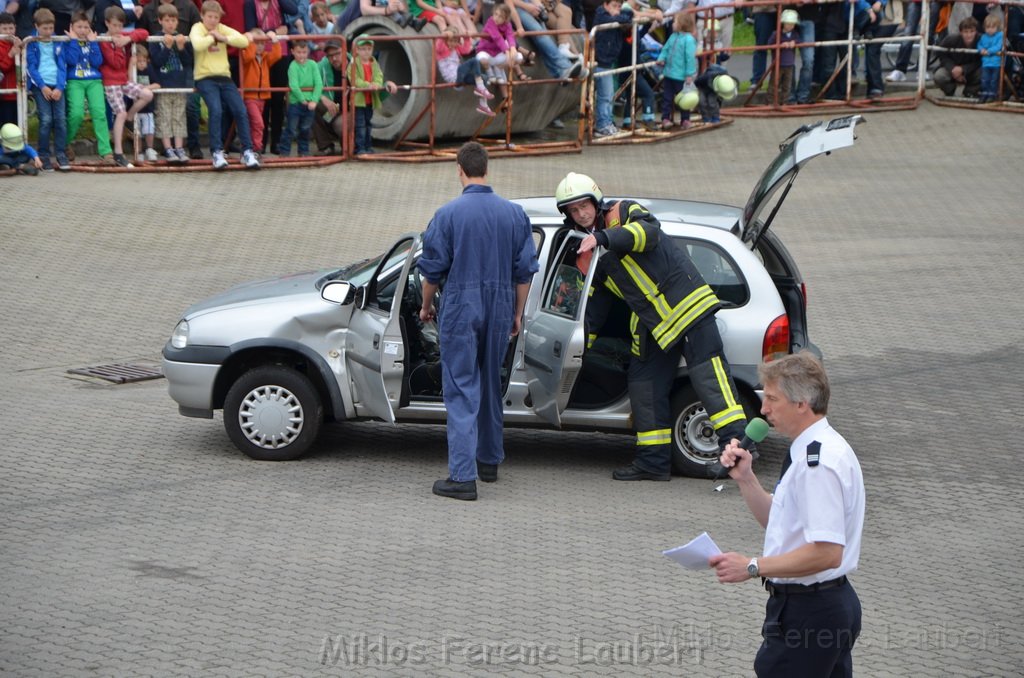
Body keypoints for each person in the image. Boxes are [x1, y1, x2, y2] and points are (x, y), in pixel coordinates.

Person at [555, 172, 749, 481]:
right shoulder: (588, 255)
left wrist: (604, 237)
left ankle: (737, 451)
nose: (581, 214)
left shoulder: (623, 212)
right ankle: (653, 461)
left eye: (584, 206)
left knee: (709, 379)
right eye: (574, 211)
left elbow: (649, 234)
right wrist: (577, 346)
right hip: (654, 325)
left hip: (689, 308)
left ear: (596, 201)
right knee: (644, 385)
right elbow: (595, 305)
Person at [709, 352, 864, 677]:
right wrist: (747, 480)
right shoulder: (816, 447)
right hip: (817, 605)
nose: (763, 410)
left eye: (772, 399)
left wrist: (752, 566)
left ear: (801, 403)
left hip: (811, 610)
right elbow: (780, 524)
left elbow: (827, 553)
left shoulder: (817, 463)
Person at [418, 141, 539, 501]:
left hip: (460, 307)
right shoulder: (514, 214)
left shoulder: (448, 215)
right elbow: (524, 273)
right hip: (500, 306)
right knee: (489, 384)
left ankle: (462, 477)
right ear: (487, 169)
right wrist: (516, 314)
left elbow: (432, 272)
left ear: (459, 170)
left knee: (460, 388)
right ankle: (489, 461)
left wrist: (426, 307)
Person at [190, 0, 261, 169]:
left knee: (240, 110)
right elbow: (197, 44)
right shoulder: (197, 28)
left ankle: (247, 152)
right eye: (210, 17)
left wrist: (223, 37)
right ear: (202, 16)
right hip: (205, 77)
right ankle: (216, 152)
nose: (213, 20)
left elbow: (243, 41)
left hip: (224, 77)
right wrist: (212, 37)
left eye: (216, 17)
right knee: (216, 109)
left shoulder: (222, 29)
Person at [591, 0, 659, 137]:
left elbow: (626, 18)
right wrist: (627, 14)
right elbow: (622, 18)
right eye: (613, 6)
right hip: (601, 62)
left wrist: (631, 15)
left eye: (619, 7)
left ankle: (607, 122)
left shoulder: (618, 21)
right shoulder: (601, 15)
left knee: (608, 96)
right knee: (605, 96)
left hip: (609, 61)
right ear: (605, 4)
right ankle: (602, 125)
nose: (616, 10)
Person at [99, 5, 153, 168]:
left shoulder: (122, 36)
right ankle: (118, 152)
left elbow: (144, 33)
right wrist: (118, 46)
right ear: (107, 23)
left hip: (123, 80)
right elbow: (114, 63)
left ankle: (131, 115)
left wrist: (128, 39)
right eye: (114, 25)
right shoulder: (104, 40)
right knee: (119, 113)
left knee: (147, 94)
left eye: (120, 26)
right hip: (111, 81)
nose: (117, 29)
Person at [64, 11, 115, 163]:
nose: (83, 30)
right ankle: (65, 143)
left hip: (94, 80)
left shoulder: (93, 40)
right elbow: (71, 60)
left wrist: (93, 43)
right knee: (76, 114)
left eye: (86, 27)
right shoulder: (66, 41)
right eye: (79, 27)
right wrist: (73, 41)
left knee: (100, 113)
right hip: (75, 81)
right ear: (71, 27)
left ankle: (105, 151)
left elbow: (97, 62)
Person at [25, 9, 70, 171]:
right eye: (45, 28)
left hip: (57, 85)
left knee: (60, 120)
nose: (48, 32)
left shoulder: (58, 41)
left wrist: (59, 87)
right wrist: (42, 86)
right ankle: (43, 155)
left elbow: (63, 66)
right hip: (41, 86)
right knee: (45, 120)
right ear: (36, 26)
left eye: (51, 28)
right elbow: (30, 67)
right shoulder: (31, 43)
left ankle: (60, 153)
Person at [148, 3, 193, 163]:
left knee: (179, 117)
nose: (170, 24)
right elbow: (156, 62)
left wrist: (181, 48)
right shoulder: (155, 39)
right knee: (164, 116)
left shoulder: (182, 37)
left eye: (173, 20)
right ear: (160, 21)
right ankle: (168, 148)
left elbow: (188, 62)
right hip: (164, 85)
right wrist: (167, 47)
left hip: (180, 84)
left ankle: (179, 148)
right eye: (167, 20)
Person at [347, 35, 396, 155]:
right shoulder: (353, 63)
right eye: (363, 49)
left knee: (368, 124)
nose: (366, 52)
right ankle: (360, 148)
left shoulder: (374, 63)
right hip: (358, 101)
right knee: (360, 125)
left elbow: (379, 75)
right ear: (357, 50)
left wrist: (376, 84)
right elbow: (354, 79)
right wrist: (366, 85)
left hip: (370, 100)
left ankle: (368, 146)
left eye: (369, 49)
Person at [239, 27, 283, 154]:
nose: (259, 46)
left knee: (255, 124)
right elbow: (249, 56)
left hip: (262, 97)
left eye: (262, 43)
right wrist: (250, 42)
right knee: (259, 124)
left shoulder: (265, 58)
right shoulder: (247, 55)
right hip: (250, 96)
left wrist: (274, 40)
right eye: (256, 43)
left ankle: (251, 148)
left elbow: (277, 55)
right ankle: (256, 148)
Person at [435, 27, 495, 116]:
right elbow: (438, 46)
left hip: (461, 76)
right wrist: (444, 35)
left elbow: (466, 50)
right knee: (474, 61)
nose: (453, 43)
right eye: (450, 41)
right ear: (446, 41)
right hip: (453, 78)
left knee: (484, 78)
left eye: (455, 41)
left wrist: (467, 38)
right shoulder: (442, 49)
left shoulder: (456, 49)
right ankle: (481, 88)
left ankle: (483, 105)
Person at [277, 38, 321, 155]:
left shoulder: (313, 64)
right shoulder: (293, 66)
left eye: (304, 52)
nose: (302, 55)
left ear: (308, 52)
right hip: (296, 103)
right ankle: (284, 152)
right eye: (299, 52)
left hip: (310, 103)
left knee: (305, 129)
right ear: (292, 52)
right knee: (291, 129)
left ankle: (303, 152)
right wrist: (302, 99)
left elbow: (319, 83)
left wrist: (314, 101)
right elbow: (294, 85)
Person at [656, 10, 696, 129]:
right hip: (669, 74)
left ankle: (685, 119)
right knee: (667, 98)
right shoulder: (673, 36)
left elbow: (690, 58)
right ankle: (665, 118)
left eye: (675, 22)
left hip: (681, 76)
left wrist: (689, 74)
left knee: (684, 99)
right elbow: (666, 49)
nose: (672, 24)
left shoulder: (688, 40)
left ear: (681, 24)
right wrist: (661, 58)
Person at [476, 2, 525, 86]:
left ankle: (499, 67)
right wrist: (507, 51)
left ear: (505, 19)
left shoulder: (507, 24)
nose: (496, 18)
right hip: (486, 50)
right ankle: (490, 72)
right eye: (496, 14)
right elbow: (497, 37)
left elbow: (510, 35)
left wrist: (512, 48)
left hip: (498, 52)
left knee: (519, 58)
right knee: (482, 58)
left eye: (500, 16)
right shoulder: (490, 21)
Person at [933, 16, 980, 97]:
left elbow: (982, 61)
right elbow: (940, 53)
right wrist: (952, 68)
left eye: (972, 31)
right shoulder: (951, 39)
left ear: (976, 31)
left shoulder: (981, 40)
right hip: (952, 68)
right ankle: (950, 90)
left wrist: (963, 69)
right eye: (966, 32)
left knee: (987, 72)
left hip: (972, 71)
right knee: (939, 76)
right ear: (961, 32)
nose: (969, 35)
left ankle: (970, 91)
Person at [312, 40, 343, 153]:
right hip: (332, 112)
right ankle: (326, 146)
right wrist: (323, 98)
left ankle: (350, 145)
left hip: (353, 113)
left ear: (345, 51)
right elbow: (307, 85)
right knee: (311, 104)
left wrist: (387, 84)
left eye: (337, 54)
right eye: (330, 55)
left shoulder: (356, 65)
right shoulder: (321, 66)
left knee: (343, 125)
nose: (334, 58)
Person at [132, 44, 160, 162]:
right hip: (135, 109)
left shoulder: (149, 69)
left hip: (148, 108)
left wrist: (146, 88)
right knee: (137, 132)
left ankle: (150, 149)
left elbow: (157, 84)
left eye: (144, 60)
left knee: (149, 129)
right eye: (139, 61)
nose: (142, 63)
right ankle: (138, 151)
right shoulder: (133, 72)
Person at [767, 8, 800, 104]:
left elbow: (800, 41)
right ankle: (770, 102)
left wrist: (794, 42)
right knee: (774, 84)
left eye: (792, 24)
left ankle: (784, 102)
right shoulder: (776, 34)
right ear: (783, 23)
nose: (790, 26)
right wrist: (781, 45)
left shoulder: (795, 34)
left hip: (789, 64)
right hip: (778, 63)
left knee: (787, 85)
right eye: (788, 24)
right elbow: (769, 44)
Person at [977, 12, 1003, 102]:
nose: (990, 30)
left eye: (992, 27)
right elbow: (979, 45)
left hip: (996, 63)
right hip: (985, 63)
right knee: (984, 79)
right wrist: (981, 50)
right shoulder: (983, 36)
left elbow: (999, 46)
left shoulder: (1000, 35)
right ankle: (985, 94)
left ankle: (992, 95)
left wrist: (988, 51)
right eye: (988, 27)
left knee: (994, 81)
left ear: (997, 27)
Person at [0, 12, 19, 127]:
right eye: (4, 28)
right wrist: (11, 54)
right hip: (3, 94)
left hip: (16, 92)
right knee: (6, 125)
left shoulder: (20, 43)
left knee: (16, 124)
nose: (8, 31)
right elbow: (2, 68)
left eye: (11, 28)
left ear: (15, 28)